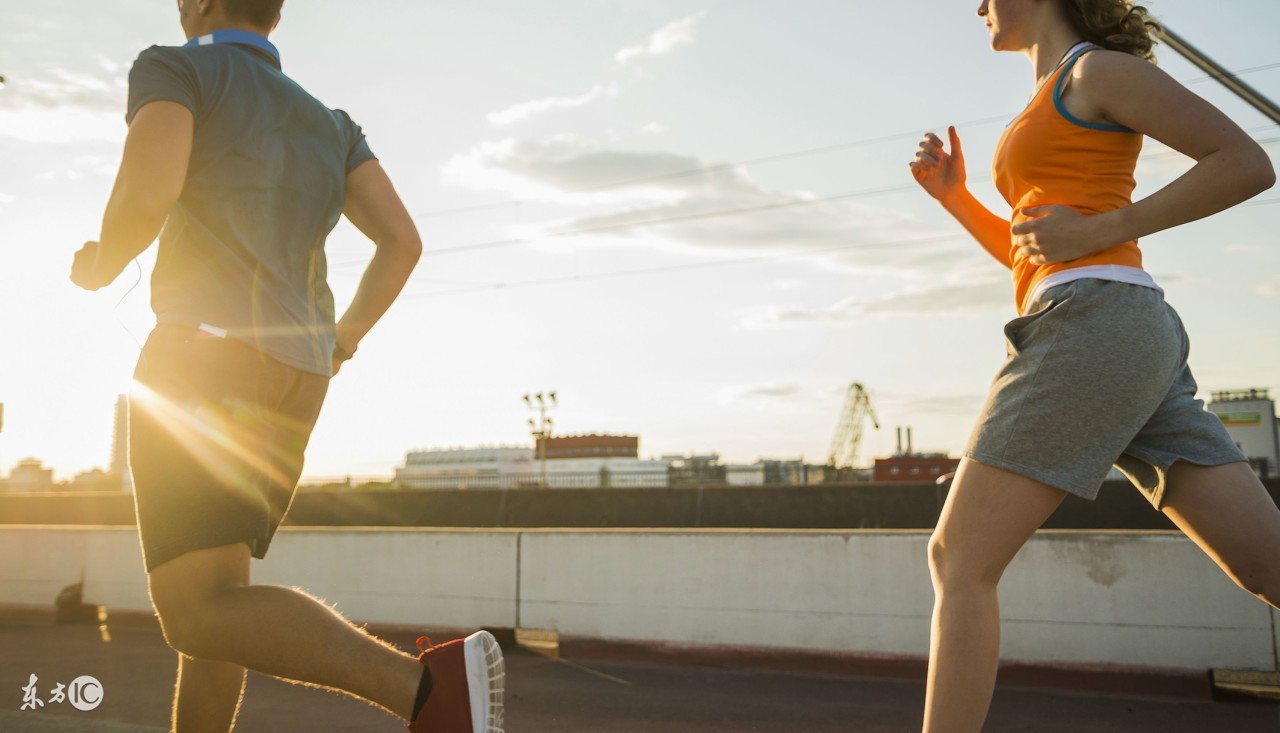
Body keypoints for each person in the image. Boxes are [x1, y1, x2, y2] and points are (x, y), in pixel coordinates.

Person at [69, 1, 504, 731]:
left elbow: (149, 191)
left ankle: (429, 692)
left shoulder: (177, 68)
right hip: (296, 376)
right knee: (224, 598)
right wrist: (342, 340)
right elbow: (402, 241)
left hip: (202, 359)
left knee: (194, 612)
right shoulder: (333, 124)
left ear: (201, 2)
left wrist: (100, 261)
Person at [908, 1, 1276, 731]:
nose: (976, 5)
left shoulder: (1097, 72)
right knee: (1267, 566)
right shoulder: (1049, 95)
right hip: (1117, 329)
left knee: (959, 560)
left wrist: (1105, 227)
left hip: (1093, 323)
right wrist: (957, 200)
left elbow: (1248, 163)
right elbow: (1039, 253)